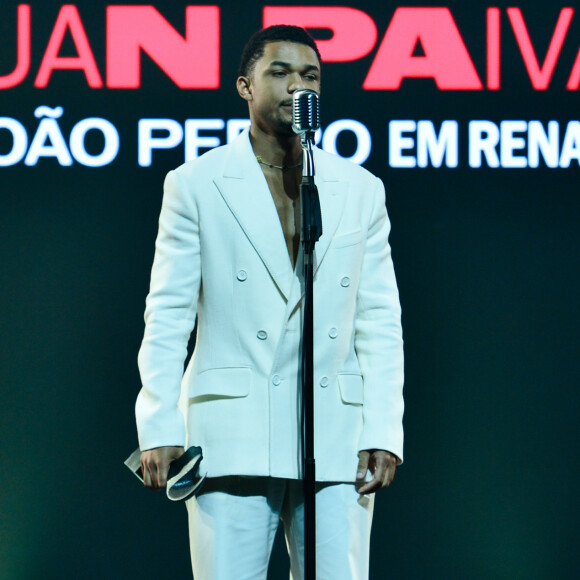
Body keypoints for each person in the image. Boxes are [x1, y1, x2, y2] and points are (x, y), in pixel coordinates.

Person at [135, 25, 404, 579]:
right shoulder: (196, 184)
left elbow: (379, 320)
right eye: (279, 72)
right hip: (232, 427)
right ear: (245, 86)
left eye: (310, 75)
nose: (296, 86)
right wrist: (158, 424)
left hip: (334, 430)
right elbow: (168, 313)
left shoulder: (358, 188)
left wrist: (383, 429)